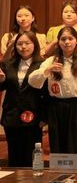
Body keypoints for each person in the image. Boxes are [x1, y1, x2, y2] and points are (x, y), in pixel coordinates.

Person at [28, 26, 77, 156]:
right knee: (58, 146)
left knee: (76, 146)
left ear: (76, 41)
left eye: (70, 38)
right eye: (63, 39)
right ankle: (58, 170)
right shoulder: (50, 61)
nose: (67, 42)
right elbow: (32, 81)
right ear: (58, 42)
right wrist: (48, 70)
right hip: (55, 108)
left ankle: (76, 170)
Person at [0, 31, 45, 167]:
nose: (23, 47)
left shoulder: (42, 64)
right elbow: (3, 87)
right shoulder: (7, 64)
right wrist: (1, 80)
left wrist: (44, 117)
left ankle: (32, 181)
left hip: (34, 115)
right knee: (14, 154)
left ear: (35, 45)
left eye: (27, 43)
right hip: (12, 115)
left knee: (32, 155)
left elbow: (46, 93)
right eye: (19, 44)